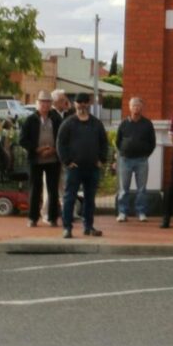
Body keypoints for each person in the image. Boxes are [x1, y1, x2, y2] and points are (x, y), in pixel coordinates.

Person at [55, 94, 108, 239]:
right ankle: (67, 228)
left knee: (90, 199)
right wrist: (67, 161)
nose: (82, 105)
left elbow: (104, 142)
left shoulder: (96, 123)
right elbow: (60, 143)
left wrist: (101, 160)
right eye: (79, 102)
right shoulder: (68, 123)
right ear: (74, 104)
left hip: (92, 167)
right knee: (69, 198)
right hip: (74, 168)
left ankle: (88, 226)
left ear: (89, 104)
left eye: (85, 102)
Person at [20, 92, 63, 229]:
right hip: (36, 159)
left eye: (47, 102)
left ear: (51, 104)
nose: (45, 104)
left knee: (53, 190)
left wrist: (54, 150)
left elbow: (63, 138)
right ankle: (32, 218)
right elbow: (22, 140)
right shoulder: (30, 119)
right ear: (37, 103)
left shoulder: (56, 119)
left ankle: (53, 218)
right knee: (35, 189)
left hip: (53, 159)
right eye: (42, 102)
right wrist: (37, 149)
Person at [114, 95, 155, 223]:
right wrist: (122, 153)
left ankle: (141, 212)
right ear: (129, 107)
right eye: (133, 105)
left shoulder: (147, 124)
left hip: (142, 160)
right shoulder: (124, 123)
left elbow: (152, 142)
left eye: (138, 105)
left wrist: (145, 154)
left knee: (142, 189)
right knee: (123, 189)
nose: (136, 107)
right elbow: (118, 141)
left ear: (142, 107)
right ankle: (122, 212)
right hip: (125, 160)